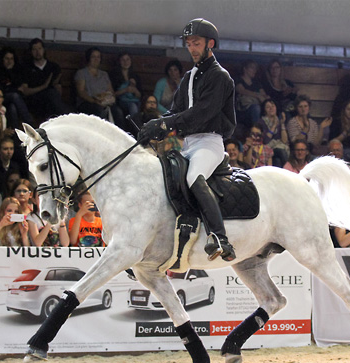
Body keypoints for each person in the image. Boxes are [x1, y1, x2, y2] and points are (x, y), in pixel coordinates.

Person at [137, 18, 236, 261]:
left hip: (209, 142)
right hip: (187, 142)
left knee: (193, 177)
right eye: (189, 43)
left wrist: (165, 124)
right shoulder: (190, 76)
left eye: (197, 43)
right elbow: (175, 111)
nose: (192, 48)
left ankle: (221, 238)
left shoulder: (220, 77)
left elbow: (202, 113)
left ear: (209, 43)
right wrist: (155, 127)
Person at [75, 47, 126, 130]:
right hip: (89, 102)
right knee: (99, 110)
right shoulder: (81, 73)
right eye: (93, 57)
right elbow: (81, 92)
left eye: (98, 57)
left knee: (118, 112)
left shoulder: (104, 74)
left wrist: (108, 98)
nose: (96, 59)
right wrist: (94, 101)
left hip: (104, 101)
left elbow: (111, 91)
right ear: (89, 58)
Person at [0, 47, 34, 130]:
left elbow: (21, 89)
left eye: (11, 59)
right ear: (2, 59)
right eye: (7, 58)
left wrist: (10, 72)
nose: (9, 61)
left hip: (9, 101)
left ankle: (15, 136)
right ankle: (30, 124)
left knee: (12, 107)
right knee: (14, 96)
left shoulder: (17, 71)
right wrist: (14, 89)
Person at [20, 38, 70, 122]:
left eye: (39, 49)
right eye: (34, 49)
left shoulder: (53, 67)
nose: (37, 52)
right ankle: (67, 119)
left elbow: (58, 89)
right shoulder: (26, 67)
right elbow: (25, 91)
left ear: (44, 50)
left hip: (51, 102)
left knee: (52, 95)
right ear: (31, 51)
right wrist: (43, 87)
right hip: (35, 101)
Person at [235, 60, 268, 127]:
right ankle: (255, 131)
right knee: (256, 108)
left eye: (255, 68)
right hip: (242, 110)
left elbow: (263, 94)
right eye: (252, 68)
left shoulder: (256, 82)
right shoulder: (238, 80)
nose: (254, 70)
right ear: (245, 69)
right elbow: (241, 90)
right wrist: (257, 95)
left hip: (256, 106)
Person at [257, 99, 289, 167]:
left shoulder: (279, 120)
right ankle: (290, 171)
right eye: (268, 107)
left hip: (278, 148)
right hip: (267, 147)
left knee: (277, 161)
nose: (271, 108)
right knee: (281, 151)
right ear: (264, 110)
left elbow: (284, 140)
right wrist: (274, 125)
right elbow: (266, 140)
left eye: (273, 106)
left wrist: (282, 123)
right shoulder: (261, 122)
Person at [109, 52, 142, 116]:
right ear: (119, 62)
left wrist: (134, 90)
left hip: (135, 101)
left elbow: (139, 96)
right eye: (123, 60)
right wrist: (125, 90)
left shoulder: (135, 76)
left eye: (127, 59)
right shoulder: (114, 75)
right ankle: (135, 125)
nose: (125, 62)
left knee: (135, 106)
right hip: (120, 102)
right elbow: (112, 94)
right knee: (133, 107)